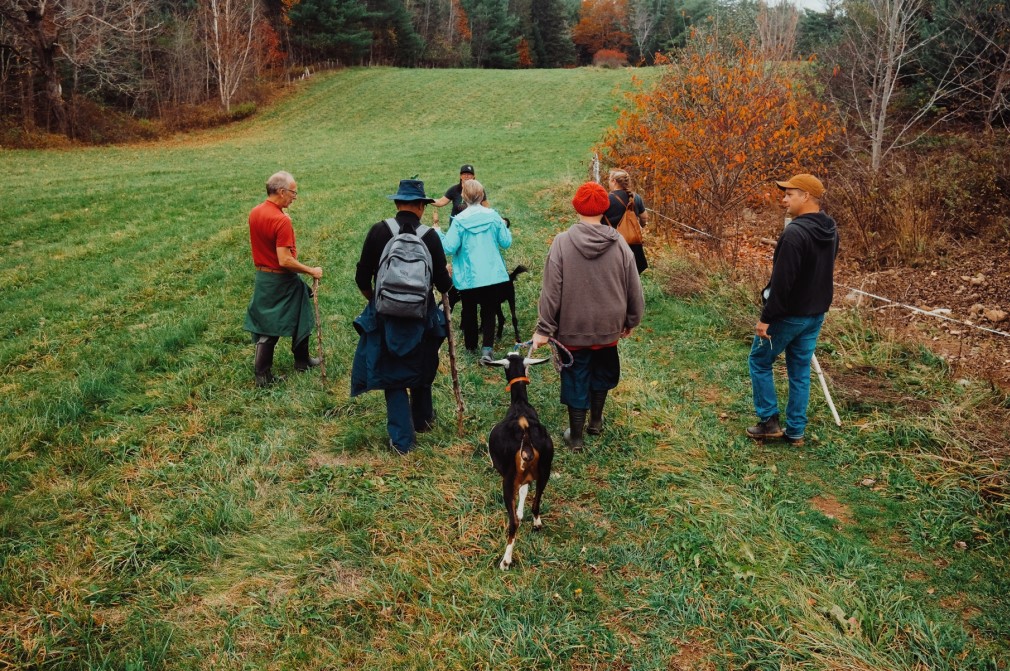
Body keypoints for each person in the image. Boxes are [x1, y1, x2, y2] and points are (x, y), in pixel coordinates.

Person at [531, 181, 645, 451]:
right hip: (609, 326)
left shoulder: (562, 243)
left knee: (576, 375)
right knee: (602, 370)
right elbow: (634, 287)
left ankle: (577, 436)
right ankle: (595, 421)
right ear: (604, 207)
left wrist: (544, 329)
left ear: (576, 207)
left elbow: (551, 291)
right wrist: (631, 319)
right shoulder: (619, 244)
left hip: (573, 327)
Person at [351, 178, 453, 455]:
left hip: (386, 318)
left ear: (397, 204)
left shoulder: (378, 231)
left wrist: (376, 302)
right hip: (421, 318)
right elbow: (444, 285)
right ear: (421, 206)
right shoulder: (430, 237)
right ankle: (423, 419)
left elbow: (361, 277)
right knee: (421, 365)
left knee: (392, 375)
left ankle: (402, 442)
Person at [747, 173, 839, 446]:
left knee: (759, 361)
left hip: (788, 315)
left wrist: (766, 319)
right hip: (815, 314)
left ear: (806, 196)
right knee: (799, 370)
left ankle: (768, 422)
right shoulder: (830, 229)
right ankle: (796, 431)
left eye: (789, 194)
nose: (784, 199)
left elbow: (782, 283)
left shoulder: (794, 233)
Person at [243, 171, 323, 387]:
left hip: (264, 278)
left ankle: (302, 360)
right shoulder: (280, 220)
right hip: (280, 280)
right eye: (293, 192)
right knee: (271, 326)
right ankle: (262, 376)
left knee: (300, 312)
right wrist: (311, 271)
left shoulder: (256, 211)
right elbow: (285, 260)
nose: (295, 196)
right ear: (281, 191)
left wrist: (282, 216)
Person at [439, 178, 512, 360]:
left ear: (463, 196)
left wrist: (438, 233)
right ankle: (487, 349)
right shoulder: (494, 216)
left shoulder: (459, 221)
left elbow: (448, 247)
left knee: (469, 310)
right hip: (492, 275)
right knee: (489, 310)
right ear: (482, 195)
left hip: (468, 276)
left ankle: (471, 347)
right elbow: (506, 242)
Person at [602, 169, 649, 274]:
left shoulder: (606, 199)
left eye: (609, 180)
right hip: (632, 243)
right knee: (630, 276)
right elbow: (644, 217)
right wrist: (641, 225)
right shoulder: (636, 197)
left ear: (614, 181)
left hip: (611, 243)